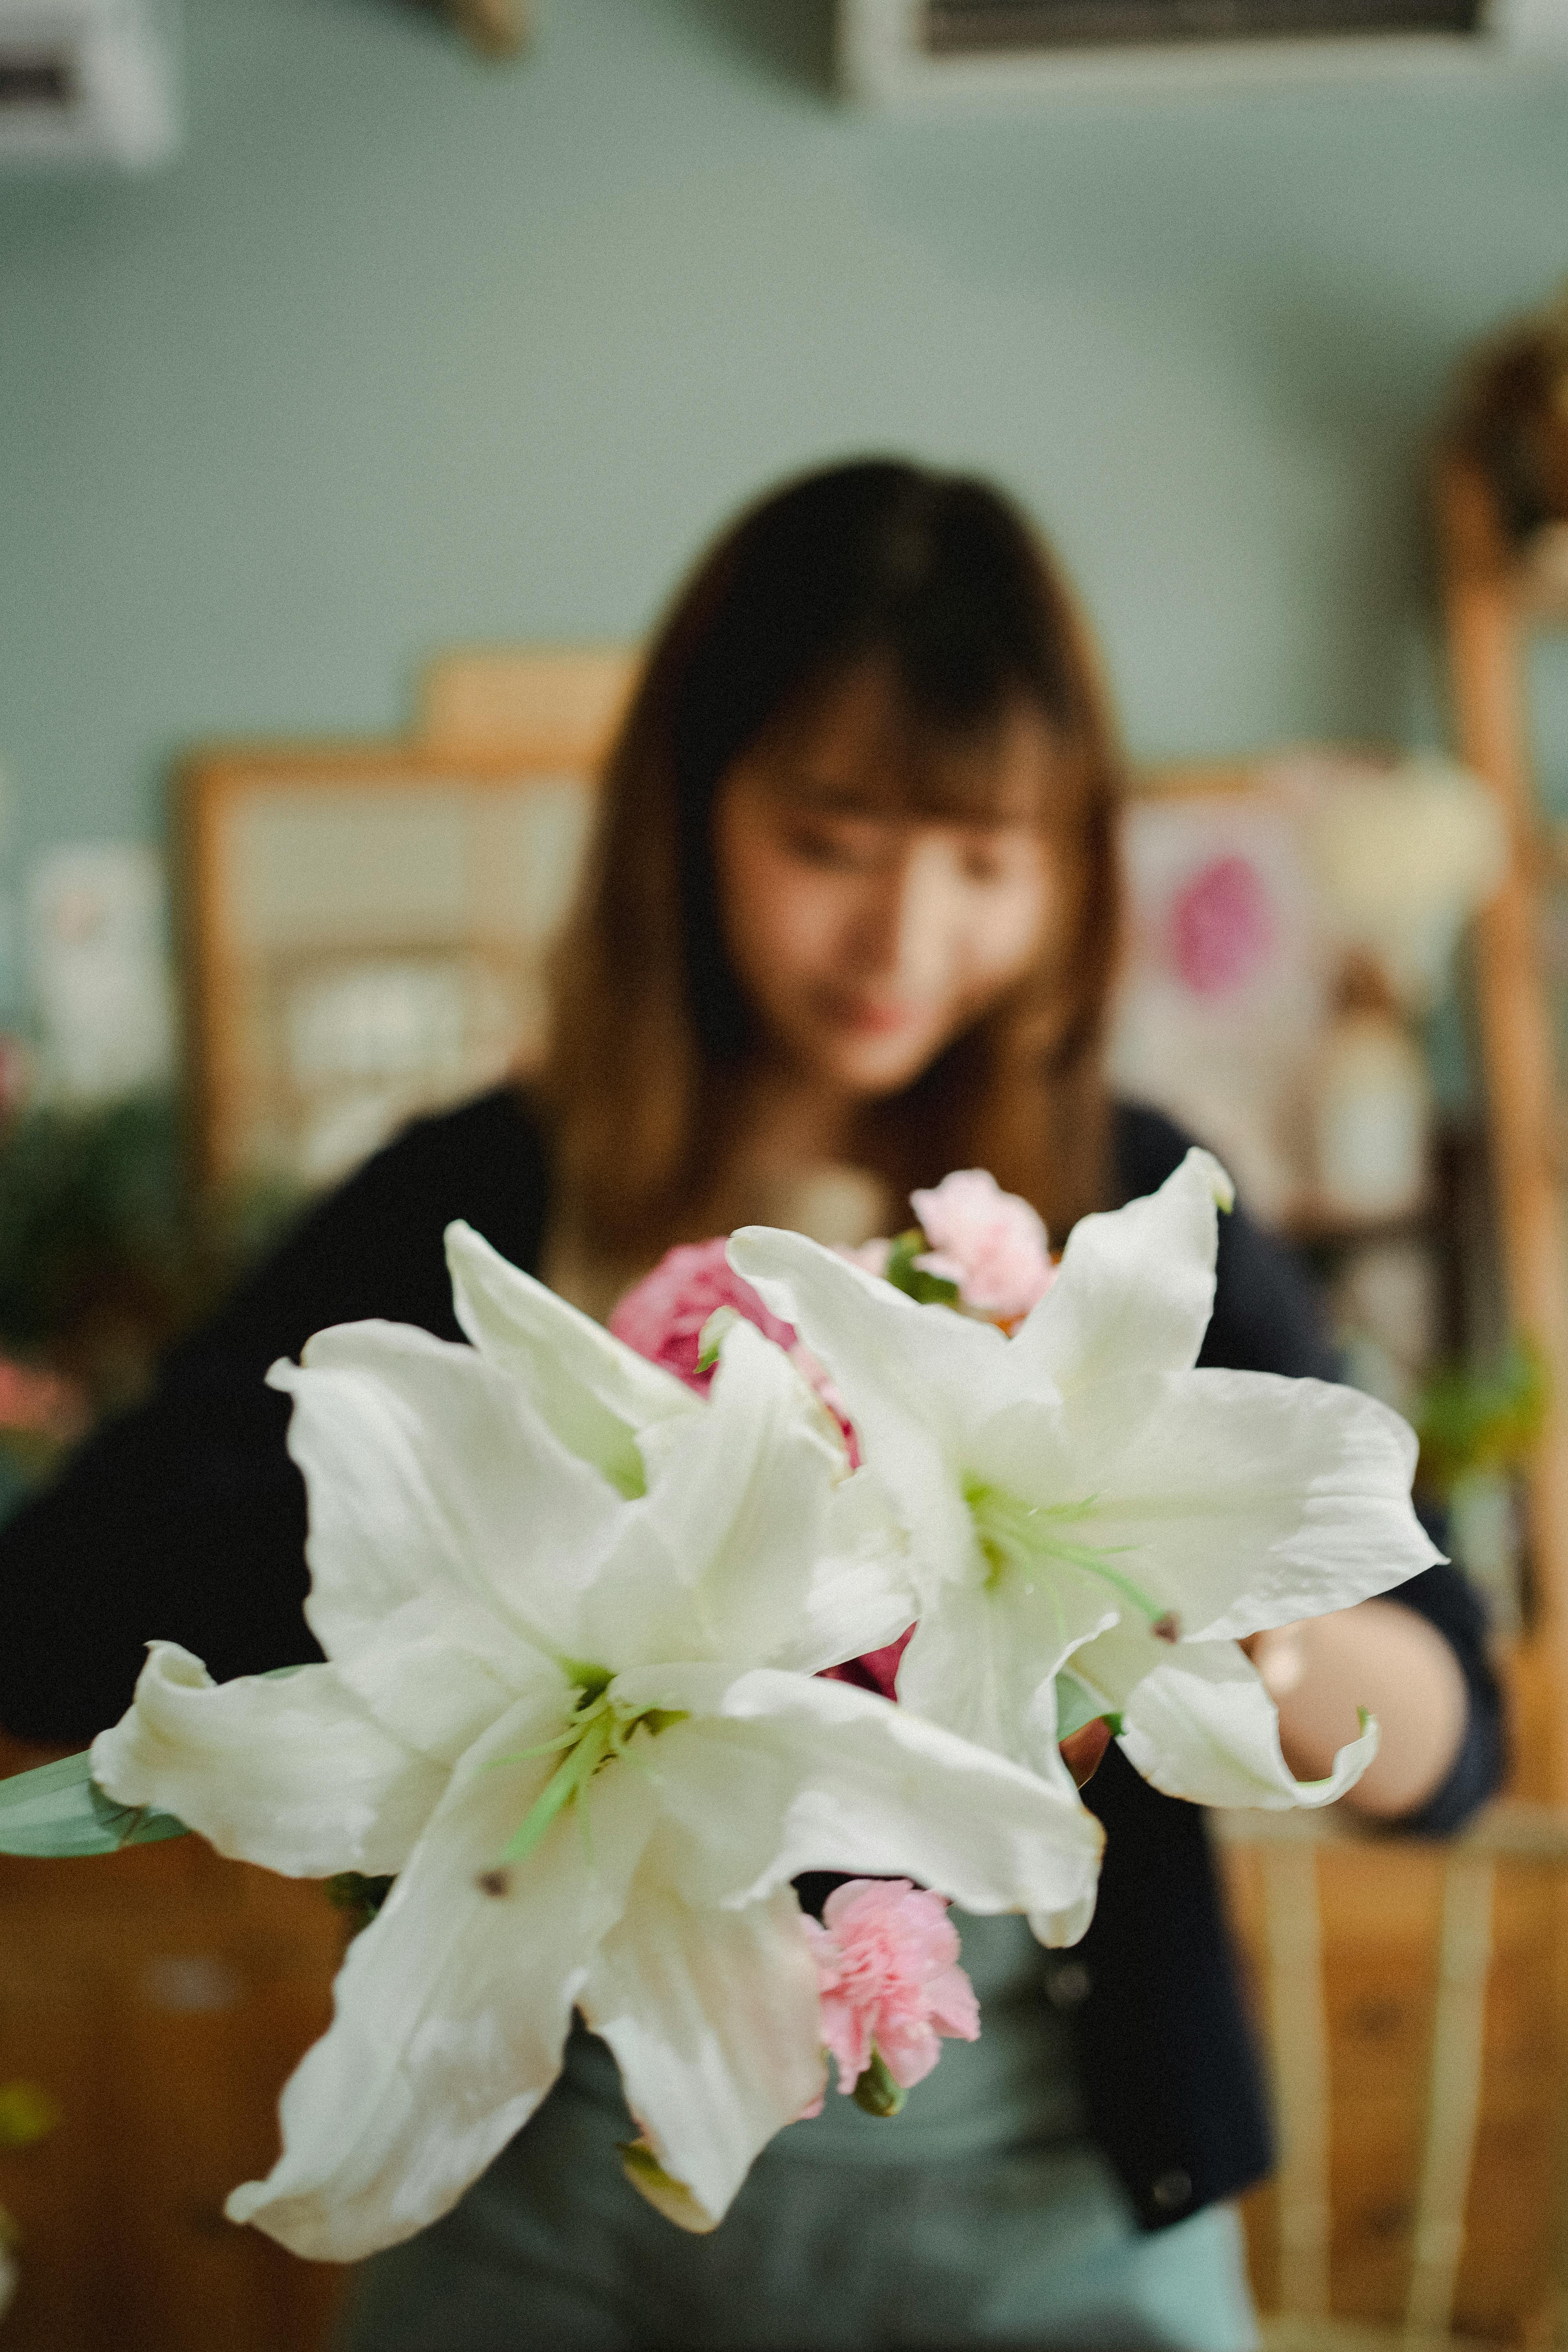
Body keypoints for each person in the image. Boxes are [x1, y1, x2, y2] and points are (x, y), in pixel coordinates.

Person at [0, 461, 1502, 2349]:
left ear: (1075, 861)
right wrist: (496, 1526)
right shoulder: (481, 1185)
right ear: (688, 810)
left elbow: (1452, 1742)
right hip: (550, 2209)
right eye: (834, 837)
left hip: (1047, 2215)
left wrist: (1188, 1638)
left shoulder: (1125, 1192)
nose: (902, 938)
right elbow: (58, 1602)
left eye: (983, 856)